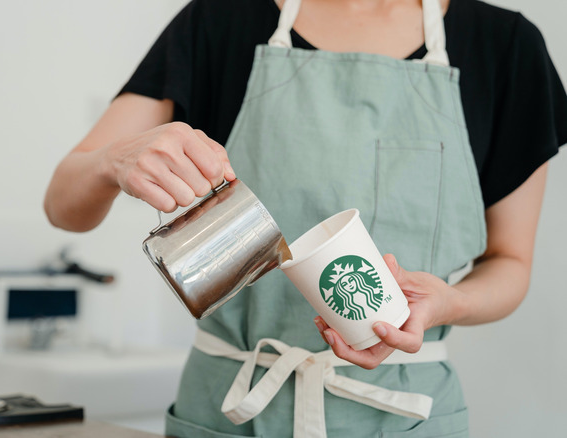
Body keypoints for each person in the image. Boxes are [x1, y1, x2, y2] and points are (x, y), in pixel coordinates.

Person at [44, 0, 567, 436]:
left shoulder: (505, 46)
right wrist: (114, 161)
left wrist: (451, 301)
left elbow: (511, 261)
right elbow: (62, 205)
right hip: (232, 407)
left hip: (405, 415)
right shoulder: (219, 19)